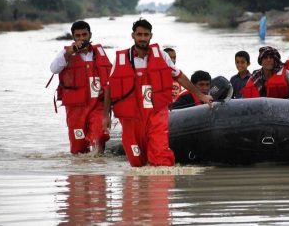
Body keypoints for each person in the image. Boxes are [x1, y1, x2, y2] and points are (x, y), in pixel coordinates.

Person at [103, 18, 213, 167]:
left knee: (161, 158)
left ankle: (161, 187)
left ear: (151, 36)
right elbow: (110, 87)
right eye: (139, 34)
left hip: (156, 113)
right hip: (132, 118)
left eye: (146, 35)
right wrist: (106, 116)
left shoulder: (162, 56)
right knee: (136, 162)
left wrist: (201, 96)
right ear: (133, 35)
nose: (142, 38)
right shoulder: (121, 59)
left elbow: (180, 77)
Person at [50, 21, 112, 155]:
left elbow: (109, 83)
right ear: (73, 37)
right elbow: (53, 69)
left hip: (97, 105)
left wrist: (107, 114)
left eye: (84, 35)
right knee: (78, 149)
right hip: (75, 109)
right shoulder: (66, 54)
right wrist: (69, 53)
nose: (82, 38)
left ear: (90, 35)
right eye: (78, 36)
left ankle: (98, 172)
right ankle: (81, 173)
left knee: (99, 135)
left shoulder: (99, 53)